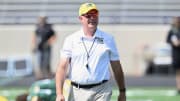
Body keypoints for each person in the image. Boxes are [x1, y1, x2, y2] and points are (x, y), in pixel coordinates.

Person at [55, 2, 126, 101]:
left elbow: (116, 66)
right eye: (88, 15)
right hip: (77, 91)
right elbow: (62, 67)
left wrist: (122, 91)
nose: (92, 18)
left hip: (101, 90)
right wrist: (59, 93)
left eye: (95, 15)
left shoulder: (108, 39)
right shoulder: (71, 40)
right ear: (81, 18)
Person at [166, 16, 180, 94]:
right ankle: (178, 87)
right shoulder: (172, 31)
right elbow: (167, 40)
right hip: (176, 53)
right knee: (178, 71)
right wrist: (174, 43)